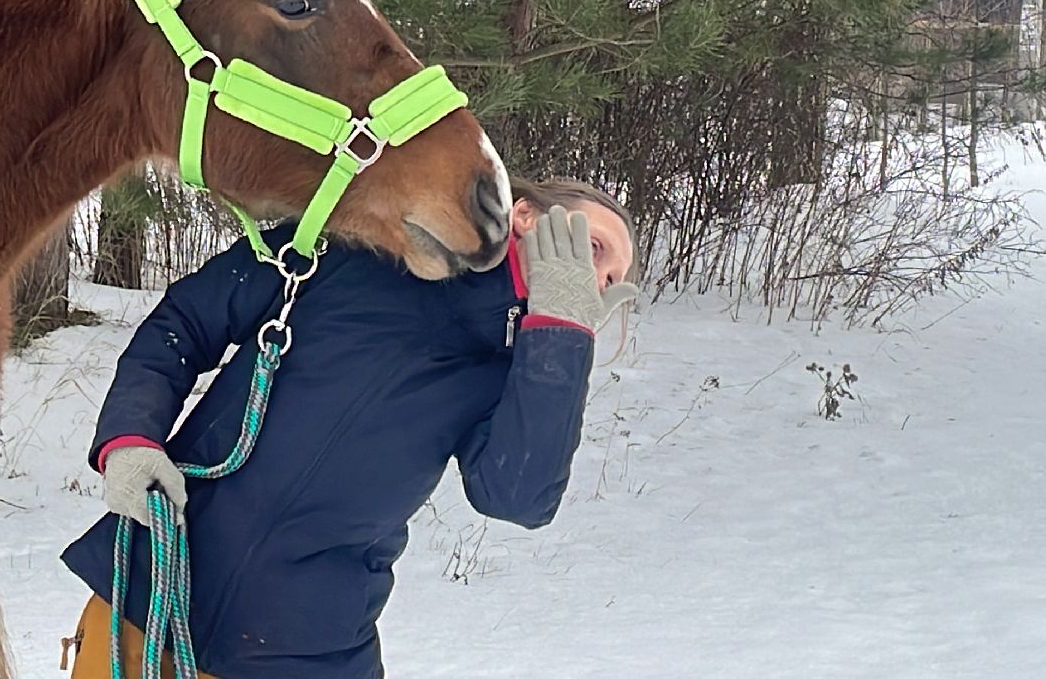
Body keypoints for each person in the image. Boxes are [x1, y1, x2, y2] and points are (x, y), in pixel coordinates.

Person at [59, 179, 640, 678]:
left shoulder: (516, 373)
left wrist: (560, 341)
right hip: (147, 593)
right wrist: (129, 438)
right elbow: (185, 323)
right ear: (526, 215)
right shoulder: (356, 244)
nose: (595, 281)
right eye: (592, 248)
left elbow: (518, 497)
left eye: (608, 281)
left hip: (308, 648)